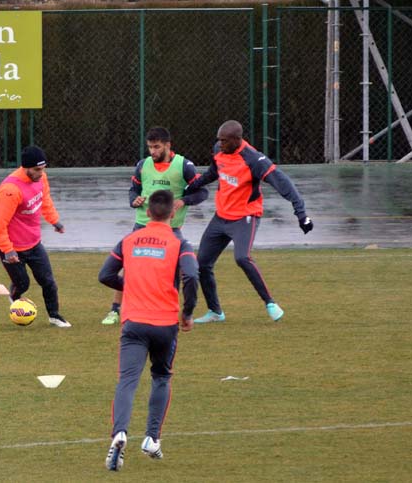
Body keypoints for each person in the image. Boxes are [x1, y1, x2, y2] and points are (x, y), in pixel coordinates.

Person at [98, 189, 199, 471]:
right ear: (173, 213)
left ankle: (119, 434)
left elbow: (104, 275)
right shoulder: (180, 243)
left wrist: (130, 289)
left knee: (127, 380)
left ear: (148, 212)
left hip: (133, 323)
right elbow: (191, 275)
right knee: (161, 377)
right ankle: (152, 439)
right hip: (166, 324)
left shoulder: (128, 240)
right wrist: (188, 313)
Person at [186, 120, 313, 323]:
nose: (220, 144)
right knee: (202, 264)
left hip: (245, 217)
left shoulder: (254, 159)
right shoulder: (219, 150)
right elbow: (213, 172)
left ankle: (270, 303)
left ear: (237, 140)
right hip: (221, 217)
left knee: (242, 258)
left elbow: (283, 183)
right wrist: (191, 187)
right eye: (219, 140)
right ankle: (215, 312)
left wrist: (301, 213)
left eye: (225, 141)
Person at [100, 126, 208, 325]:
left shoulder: (184, 166)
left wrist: (184, 201)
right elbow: (133, 191)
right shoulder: (143, 165)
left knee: (174, 268)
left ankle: (171, 308)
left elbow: (202, 193)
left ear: (168, 145)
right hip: (142, 225)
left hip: (171, 228)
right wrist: (135, 201)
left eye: (157, 147)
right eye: (150, 147)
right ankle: (115, 310)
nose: (153, 152)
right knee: (128, 266)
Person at [0, 145, 71, 327]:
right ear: (25, 168)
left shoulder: (41, 178)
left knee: (48, 281)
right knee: (22, 284)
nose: (41, 173)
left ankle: (54, 316)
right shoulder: (10, 190)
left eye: (43, 168)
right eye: (37, 169)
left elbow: (45, 199)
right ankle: (15, 300)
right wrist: (8, 250)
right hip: (10, 246)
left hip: (33, 242)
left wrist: (54, 220)